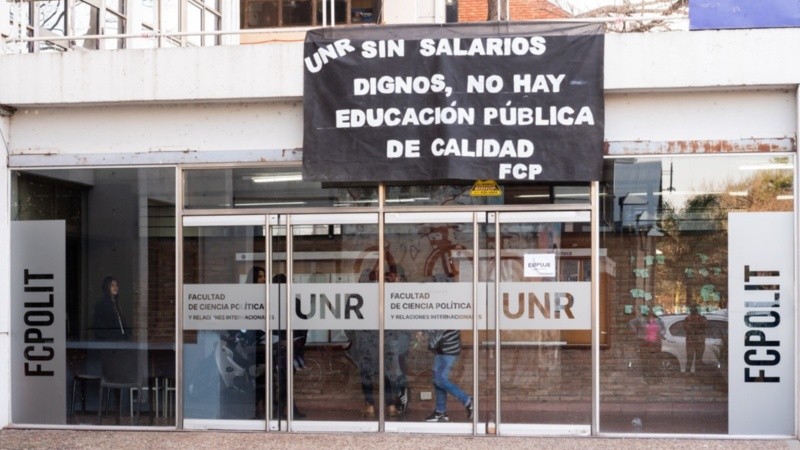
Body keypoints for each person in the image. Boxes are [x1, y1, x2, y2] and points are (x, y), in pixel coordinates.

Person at [271, 272, 307, 419]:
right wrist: (299, 344)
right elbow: (304, 326)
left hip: (278, 347)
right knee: (285, 379)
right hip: (291, 347)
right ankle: (283, 410)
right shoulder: (294, 302)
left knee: (284, 379)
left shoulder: (271, 303)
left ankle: (285, 410)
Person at [424, 328, 473, 422]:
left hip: (448, 349)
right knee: (436, 379)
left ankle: (468, 401)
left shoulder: (447, 314)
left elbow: (438, 327)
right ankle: (440, 412)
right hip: (441, 349)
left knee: (440, 379)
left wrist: (424, 330)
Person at [92, 275, 129, 341]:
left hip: (120, 342)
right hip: (109, 343)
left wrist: (126, 336)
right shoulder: (101, 304)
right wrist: (111, 338)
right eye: (112, 285)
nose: (115, 287)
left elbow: (121, 324)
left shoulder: (116, 304)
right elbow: (98, 327)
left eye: (117, 285)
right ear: (107, 287)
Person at [683, 306, 708, 373]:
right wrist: (697, 324)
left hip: (700, 342)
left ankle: (697, 375)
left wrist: (694, 324)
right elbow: (687, 328)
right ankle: (687, 376)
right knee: (689, 360)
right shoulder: (687, 319)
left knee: (698, 361)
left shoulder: (702, 318)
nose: (694, 313)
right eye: (692, 311)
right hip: (691, 343)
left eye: (695, 311)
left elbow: (705, 325)